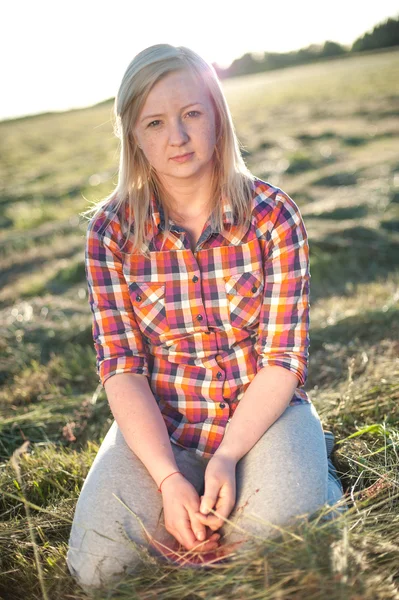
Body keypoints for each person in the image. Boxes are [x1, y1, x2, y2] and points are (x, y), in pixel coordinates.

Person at [67, 43, 347, 591]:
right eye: (156, 121)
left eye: (192, 113)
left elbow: (283, 359)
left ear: (217, 116)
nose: (177, 136)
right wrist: (170, 479)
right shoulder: (111, 232)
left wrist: (227, 458)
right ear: (135, 136)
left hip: (263, 419)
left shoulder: (273, 216)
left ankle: (314, 465)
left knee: (271, 546)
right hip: (164, 426)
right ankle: (217, 488)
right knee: (99, 569)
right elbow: (120, 367)